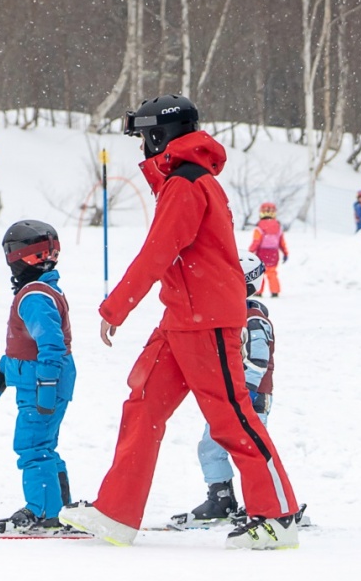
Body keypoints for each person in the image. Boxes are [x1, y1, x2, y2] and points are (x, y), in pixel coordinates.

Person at [59, 94, 300, 551]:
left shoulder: (188, 183)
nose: (142, 149)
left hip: (206, 320)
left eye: (144, 137)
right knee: (144, 404)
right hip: (182, 317)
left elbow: (159, 249)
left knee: (232, 419)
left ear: (160, 136)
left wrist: (116, 307)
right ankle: (116, 513)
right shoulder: (185, 180)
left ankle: (278, 516)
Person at [0, 220, 76, 534]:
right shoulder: (41, 291)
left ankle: (44, 513)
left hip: (42, 383)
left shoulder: (34, 297)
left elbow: (50, 346)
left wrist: (46, 386)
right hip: (37, 379)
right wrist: (3, 373)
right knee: (43, 444)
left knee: (33, 447)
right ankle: (59, 506)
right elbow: (25, 345)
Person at [178, 252, 276, 526]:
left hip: (248, 399)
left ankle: (268, 502)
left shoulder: (254, 320)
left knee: (250, 450)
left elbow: (258, 359)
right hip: (226, 397)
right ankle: (221, 497)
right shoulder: (230, 314)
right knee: (211, 447)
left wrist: (247, 392)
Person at [248, 202, 289, 297]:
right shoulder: (278, 227)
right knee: (272, 272)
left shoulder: (259, 227)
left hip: (262, 253)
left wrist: (250, 252)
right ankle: (275, 291)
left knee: (260, 273)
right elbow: (281, 242)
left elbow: (256, 241)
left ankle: (258, 291)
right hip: (274, 253)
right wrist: (285, 253)